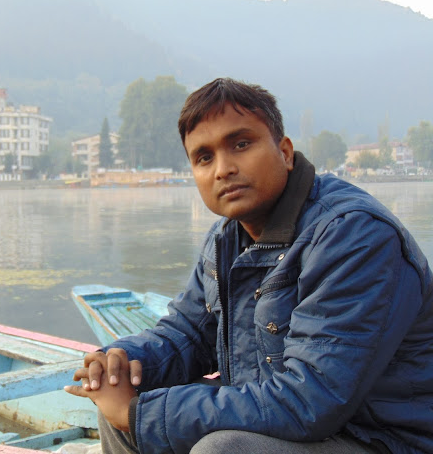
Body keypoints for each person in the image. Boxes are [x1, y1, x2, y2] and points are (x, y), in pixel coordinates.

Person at [65, 78, 433, 454]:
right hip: (301, 421)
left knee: (218, 448)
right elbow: (189, 332)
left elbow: (311, 398)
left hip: (382, 437)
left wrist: (140, 414)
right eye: (204, 157)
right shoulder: (226, 238)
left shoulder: (353, 236)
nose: (223, 169)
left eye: (241, 144)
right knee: (126, 405)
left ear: (285, 152)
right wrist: (120, 362)